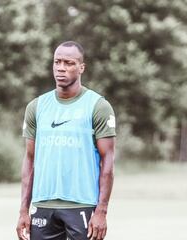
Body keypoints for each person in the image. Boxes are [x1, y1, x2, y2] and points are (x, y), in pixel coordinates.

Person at [16, 41, 116, 240]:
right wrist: (23, 211)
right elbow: (29, 160)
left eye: (69, 63)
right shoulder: (36, 107)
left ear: (81, 67)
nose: (61, 68)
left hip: (82, 205)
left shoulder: (98, 106)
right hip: (43, 205)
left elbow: (108, 163)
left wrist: (101, 211)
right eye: (57, 62)